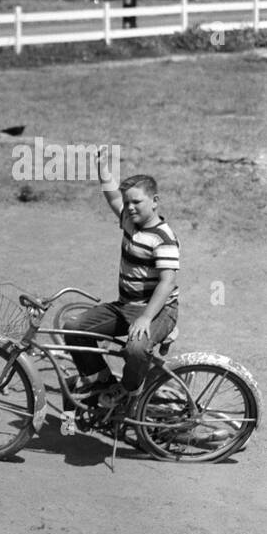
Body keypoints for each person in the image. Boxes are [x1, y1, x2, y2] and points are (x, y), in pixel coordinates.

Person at [65, 170, 179, 412]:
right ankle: (102, 380)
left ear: (155, 201)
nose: (130, 207)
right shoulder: (129, 220)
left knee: (135, 349)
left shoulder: (163, 239)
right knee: (73, 329)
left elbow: (167, 283)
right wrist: (102, 169)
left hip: (158, 310)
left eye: (137, 201)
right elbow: (112, 198)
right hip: (125, 306)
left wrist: (146, 318)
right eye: (128, 202)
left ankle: (128, 390)